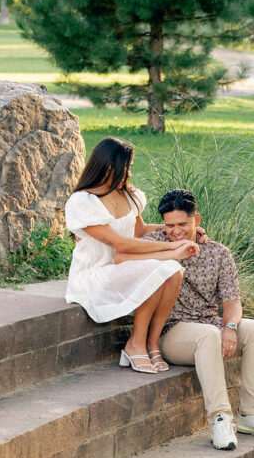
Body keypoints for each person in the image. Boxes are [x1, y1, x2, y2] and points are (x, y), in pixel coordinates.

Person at [142, 188, 254, 450]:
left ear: (197, 219)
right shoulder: (154, 243)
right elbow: (124, 241)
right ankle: (220, 419)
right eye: (169, 225)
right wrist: (171, 247)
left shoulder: (219, 253)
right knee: (208, 335)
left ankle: (252, 414)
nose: (176, 231)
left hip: (210, 324)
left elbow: (232, 303)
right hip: (172, 332)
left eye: (183, 224)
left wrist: (230, 327)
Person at [64, 137, 200, 374]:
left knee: (174, 270)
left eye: (130, 167)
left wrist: (181, 231)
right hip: (95, 274)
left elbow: (139, 232)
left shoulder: (130, 195)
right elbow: (120, 243)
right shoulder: (82, 202)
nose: (128, 173)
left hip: (126, 264)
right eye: (125, 167)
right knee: (159, 268)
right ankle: (134, 343)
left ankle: (151, 343)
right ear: (107, 166)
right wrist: (170, 249)